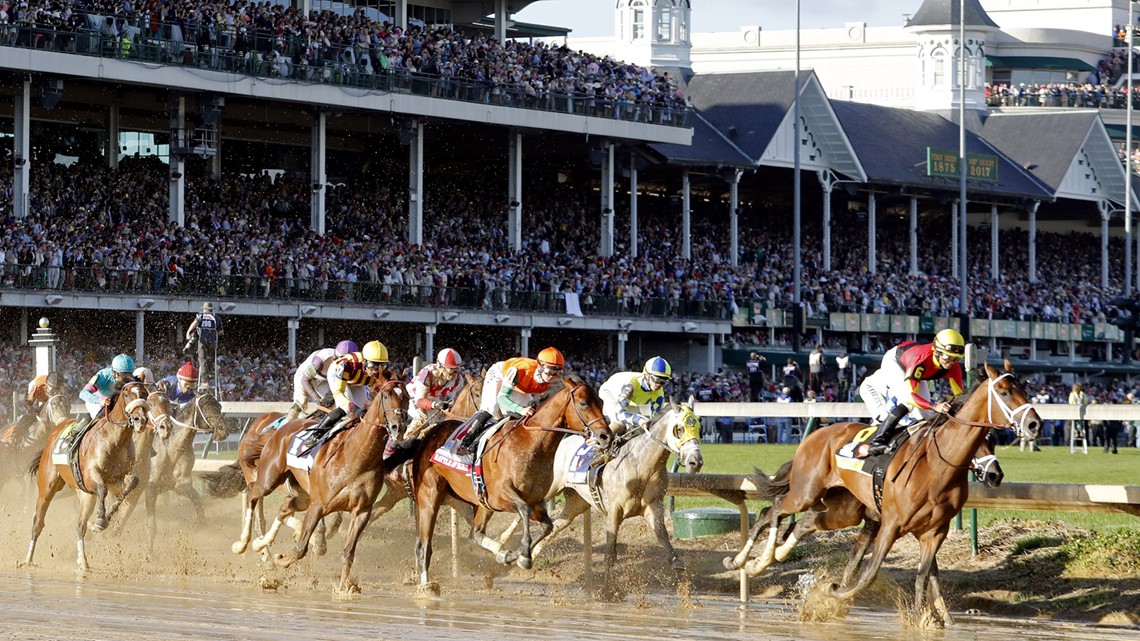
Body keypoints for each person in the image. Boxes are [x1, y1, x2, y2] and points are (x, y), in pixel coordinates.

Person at [856, 328, 966, 458]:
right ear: (937, 352)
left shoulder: (953, 367)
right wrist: (936, 406)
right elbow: (910, 397)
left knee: (927, 414)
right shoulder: (920, 359)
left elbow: (961, 397)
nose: (951, 363)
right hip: (897, 362)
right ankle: (877, 442)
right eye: (948, 357)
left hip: (916, 370)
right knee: (907, 402)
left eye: (956, 359)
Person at [457, 347, 564, 456]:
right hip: (499, 375)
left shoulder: (553, 381)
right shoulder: (519, 370)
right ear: (540, 367)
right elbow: (501, 398)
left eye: (557, 373)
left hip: (520, 385)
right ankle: (467, 441)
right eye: (549, 372)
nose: (552, 377)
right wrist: (520, 409)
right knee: (491, 408)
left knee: (530, 415)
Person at [301, 340, 388, 450]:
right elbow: (339, 393)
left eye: (381, 366)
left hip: (358, 381)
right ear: (365, 362)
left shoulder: (381, 371)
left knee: (363, 411)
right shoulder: (346, 364)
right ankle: (315, 435)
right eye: (372, 366)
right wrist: (354, 409)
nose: (376, 371)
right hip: (337, 374)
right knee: (346, 408)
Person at [598, 356, 672, 442]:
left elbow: (656, 420)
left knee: (637, 428)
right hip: (610, 392)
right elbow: (620, 414)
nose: (659, 384)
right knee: (620, 422)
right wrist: (639, 420)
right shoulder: (631, 385)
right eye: (656, 379)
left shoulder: (659, 393)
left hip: (631, 401)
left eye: (663, 381)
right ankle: (598, 442)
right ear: (647, 375)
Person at [284, 340, 358, 423]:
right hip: (304, 375)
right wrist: (316, 398)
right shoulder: (320, 361)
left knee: (330, 405)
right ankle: (285, 425)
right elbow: (304, 381)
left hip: (325, 378)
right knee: (300, 402)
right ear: (335, 357)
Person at [405, 347, 464, 441]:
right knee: (419, 423)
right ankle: (400, 445)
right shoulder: (428, 374)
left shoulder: (458, 380)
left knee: (440, 426)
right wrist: (435, 405)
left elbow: (454, 403)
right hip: (417, 398)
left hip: (436, 400)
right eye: (451, 370)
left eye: (457, 370)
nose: (454, 374)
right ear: (440, 367)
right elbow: (420, 401)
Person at [78, 353, 137, 425]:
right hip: (97, 403)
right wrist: (99, 401)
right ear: (115, 374)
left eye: (130, 374)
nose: (128, 379)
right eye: (124, 375)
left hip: (114, 402)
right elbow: (83, 393)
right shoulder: (103, 376)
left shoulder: (132, 378)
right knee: (102, 422)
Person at [185, 301, 223, 392]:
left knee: (202, 359)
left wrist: (188, 332)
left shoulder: (201, 315)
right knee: (211, 358)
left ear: (204, 309)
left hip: (202, 340)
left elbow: (194, 323)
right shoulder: (216, 317)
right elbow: (221, 332)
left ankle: (204, 380)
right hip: (213, 341)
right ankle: (211, 374)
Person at [1067, 383, 1089, 454]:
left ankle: (1079, 431)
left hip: (1081, 410)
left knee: (1079, 421)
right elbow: (1071, 402)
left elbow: (1085, 401)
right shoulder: (1073, 394)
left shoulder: (1082, 394)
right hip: (1075, 411)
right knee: (1077, 421)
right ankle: (1078, 431)